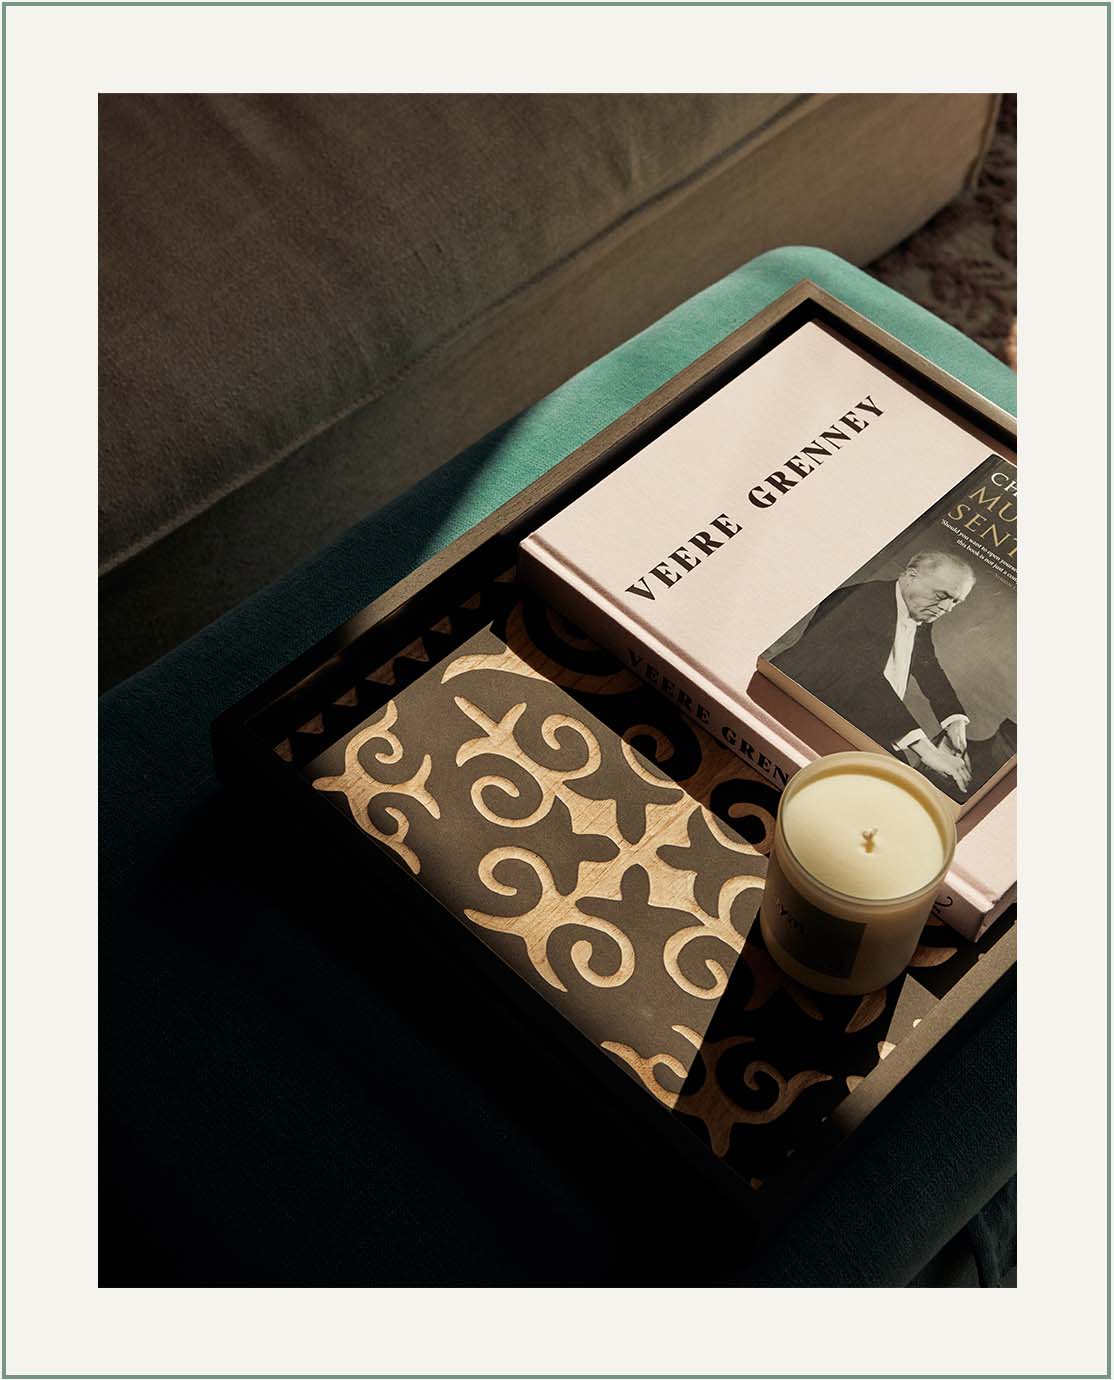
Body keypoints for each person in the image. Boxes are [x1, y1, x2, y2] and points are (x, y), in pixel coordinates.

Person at [771, 550, 976, 795]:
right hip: (798, 709)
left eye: (955, 602)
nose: (946, 608)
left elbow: (928, 667)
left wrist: (955, 725)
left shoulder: (918, 608)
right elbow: (860, 677)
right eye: (942, 596)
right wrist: (927, 750)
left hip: (861, 715)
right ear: (911, 576)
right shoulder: (859, 601)